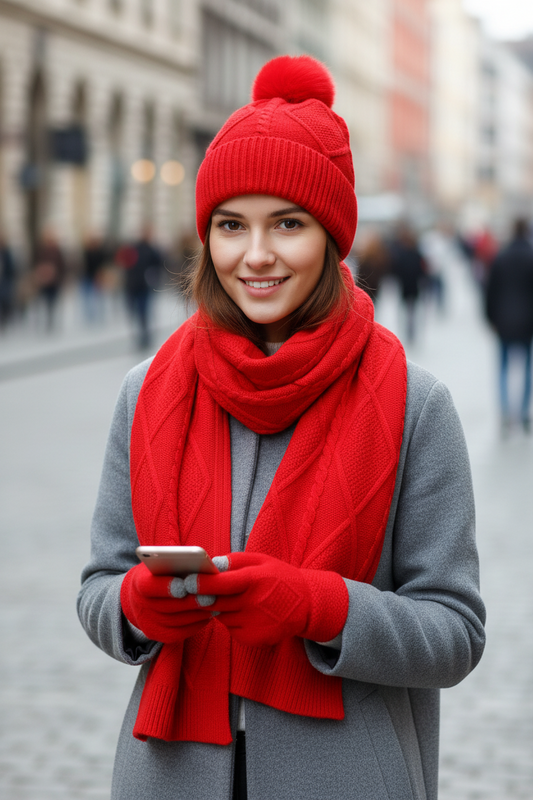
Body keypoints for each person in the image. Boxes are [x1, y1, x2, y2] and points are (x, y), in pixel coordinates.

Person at [77, 56, 485, 800]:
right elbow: (99, 590)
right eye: (231, 225)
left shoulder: (413, 403)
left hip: (346, 775)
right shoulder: (148, 393)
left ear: (330, 237)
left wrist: (316, 606)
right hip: (169, 777)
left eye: (286, 225)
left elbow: (453, 635)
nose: (255, 255)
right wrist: (135, 603)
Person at [485, 217, 533, 432]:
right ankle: (522, 413)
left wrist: (490, 318)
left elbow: (489, 290)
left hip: (503, 321)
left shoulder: (501, 256)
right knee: (526, 368)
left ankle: (505, 412)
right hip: (527, 322)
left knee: (503, 368)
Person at [118, 226, 164, 349]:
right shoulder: (134, 248)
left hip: (142, 286)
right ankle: (142, 336)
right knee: (136, 312)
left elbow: (159, 262)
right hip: (133, 286)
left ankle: (144, 336)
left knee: (143, 312)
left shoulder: (149, 248)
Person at [389, 224, 427, 343]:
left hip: (405, 286)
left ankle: (408, 330)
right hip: (414, 286)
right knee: (412, 310)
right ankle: (411, 331)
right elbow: (422, 271)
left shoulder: (401, 255)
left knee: (406, 310)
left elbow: (395, 270)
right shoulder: (417, 254)